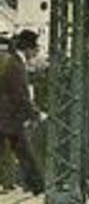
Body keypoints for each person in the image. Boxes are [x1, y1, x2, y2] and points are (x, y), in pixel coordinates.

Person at [0, 30, 43, 195]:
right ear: (28, 49)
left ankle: (36, 185)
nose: (36, 52)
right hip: (9, 117)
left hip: (7, 116)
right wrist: (36, 113)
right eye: (35, 49)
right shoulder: (16, 64)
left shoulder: (12, 61)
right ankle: (38, 186)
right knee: (24, 151)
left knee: (21, 151)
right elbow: (21, 95)